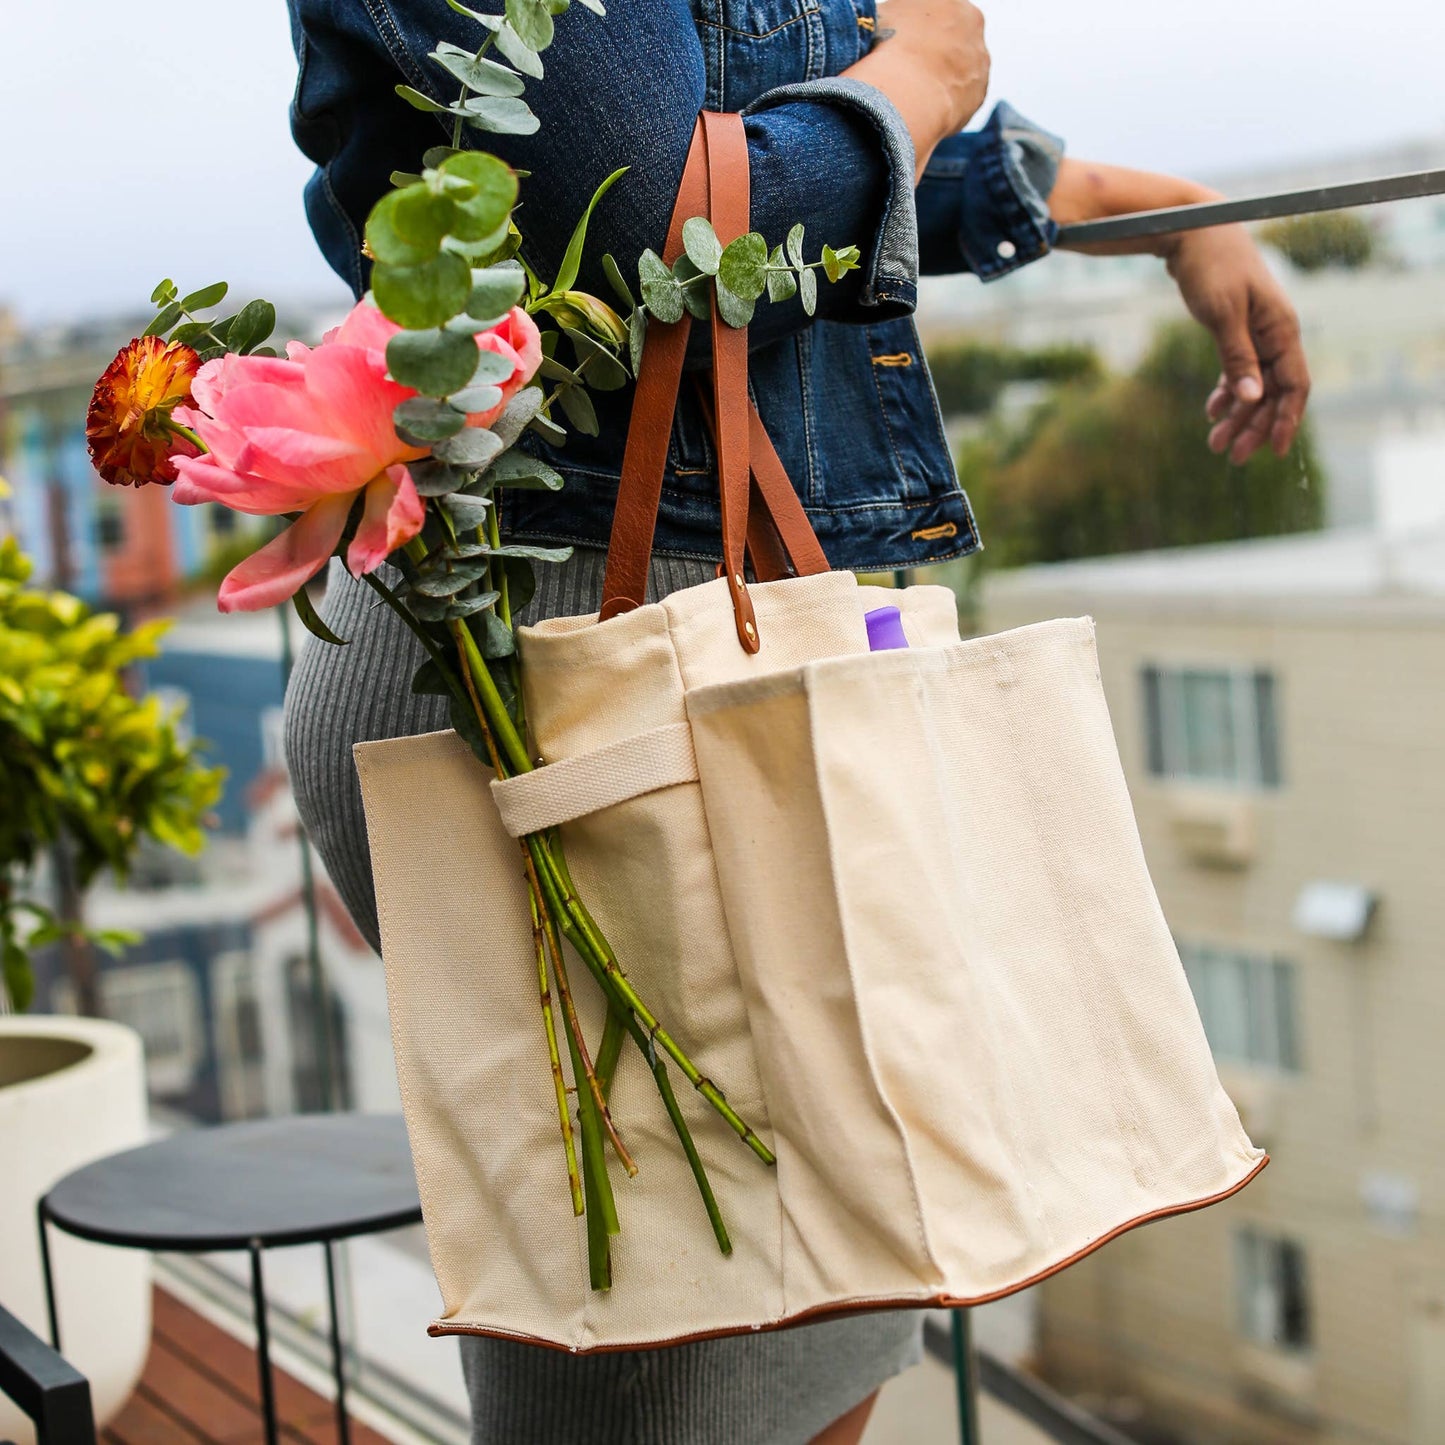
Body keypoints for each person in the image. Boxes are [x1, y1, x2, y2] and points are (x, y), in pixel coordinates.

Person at [282, 1, 1309, 1441]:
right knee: (676, 1366)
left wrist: (1145, 204)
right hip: (568, 658)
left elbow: (748, 139)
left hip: (726, 643)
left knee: (811, 1328)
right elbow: (654, 211)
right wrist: (913, 83)